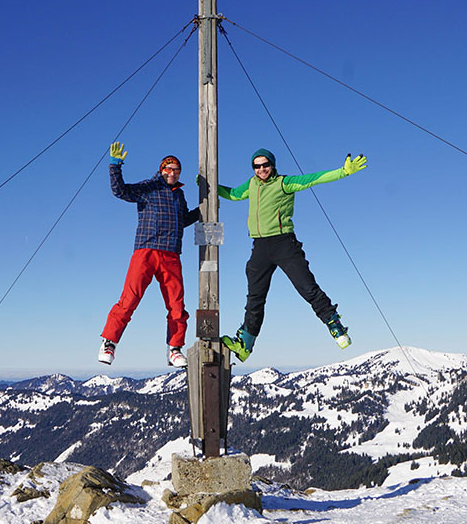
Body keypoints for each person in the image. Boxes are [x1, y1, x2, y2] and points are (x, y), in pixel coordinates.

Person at [218, 148, 367, 361]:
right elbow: (233, 194)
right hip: (260, 246)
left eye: (265, 164)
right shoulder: (251, 185)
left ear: (272, 165)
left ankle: (335, 325)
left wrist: (343, 172)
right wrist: (211, 186)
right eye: (257, 166)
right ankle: (245, 343)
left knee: (306, 287)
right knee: (255, 297)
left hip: (284, 243)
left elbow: (313, 179)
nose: (261, 169)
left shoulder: (284, 183)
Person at [98, 143, 200, 368]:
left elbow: (182, 221)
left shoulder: (179, 195)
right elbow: (121, 191)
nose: (172, 173)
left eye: (176, 170)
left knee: (176, 303)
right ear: (161, 169)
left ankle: (175, 348)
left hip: (171, 254)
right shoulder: (150, 186)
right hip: (146, 250)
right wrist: (115, 167)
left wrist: (203, 210)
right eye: (168, 168)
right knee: (130, 298)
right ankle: (109, 343)